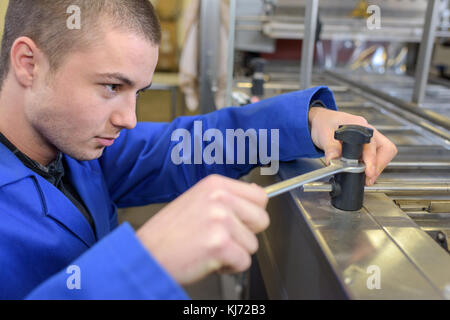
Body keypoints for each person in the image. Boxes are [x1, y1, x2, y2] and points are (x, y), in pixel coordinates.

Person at [0, 0, 397, 300]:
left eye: (138, 92)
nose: (130, 119)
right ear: (29, 64)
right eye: (111, 87)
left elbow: (192, 145)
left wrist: (309, 120)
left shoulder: (75, 148)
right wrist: (145, 260)